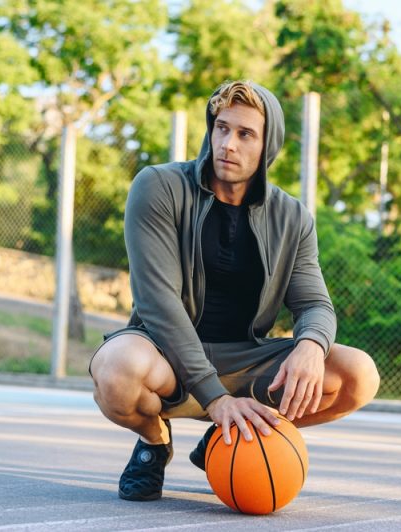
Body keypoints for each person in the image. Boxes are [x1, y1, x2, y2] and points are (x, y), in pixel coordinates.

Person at [89, 80, 380, 502]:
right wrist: (215, 397)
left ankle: (222, 442)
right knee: (117, 369)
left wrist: (311, 346)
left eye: (246, 134)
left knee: (358, 375)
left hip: (245, 357)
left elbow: (315, 303)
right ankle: (154, 443)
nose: (228, 144)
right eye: (222, 128)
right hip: (164, 353)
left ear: (268, 146)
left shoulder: (292, 218)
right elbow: (158, 302)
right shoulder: (158, 187)